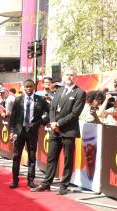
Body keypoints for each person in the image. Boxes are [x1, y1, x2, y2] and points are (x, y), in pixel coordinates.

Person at [32, 67, 86, 195]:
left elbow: (75, 114)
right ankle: (46, 183)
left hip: (68, 131)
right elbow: (51, 108)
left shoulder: (80, 93)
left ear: (76, 77)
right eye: (67, 74)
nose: (69, 77)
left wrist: (58, 123)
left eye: (72, 75)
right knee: (51, 158)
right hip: (54, 131)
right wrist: (52, 123)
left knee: (68, 159)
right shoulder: (59, 90)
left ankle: (64, 185)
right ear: (63, 76)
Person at [8, 79, 49, 189]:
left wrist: (41, 122)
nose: (29, 89)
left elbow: (48, 112)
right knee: (16, 156)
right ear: (24, 88)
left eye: (30, 86)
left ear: (34, 87)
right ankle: (15, 180)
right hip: (19, 132)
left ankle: (30, 181)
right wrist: (12, 131)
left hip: (32, 132)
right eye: (26, 87)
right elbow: (13, 118)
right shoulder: (18, 100)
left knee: (32, 157)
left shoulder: (40, 100)